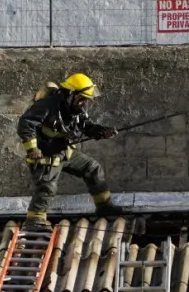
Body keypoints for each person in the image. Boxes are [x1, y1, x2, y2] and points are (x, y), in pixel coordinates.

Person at [16, 73, 123, 231]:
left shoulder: (76, 109)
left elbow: (85, 126)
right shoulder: (47, 105)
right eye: (82, 98)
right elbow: (26, 123)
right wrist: (32, 149)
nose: (84, 102)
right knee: (47, 187)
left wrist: (101, 131)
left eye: (86, 99)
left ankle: (104, 207)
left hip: (65, 151)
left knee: (92, 168)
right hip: (46, 154)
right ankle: (35, 221)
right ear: (71, 94)